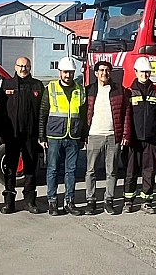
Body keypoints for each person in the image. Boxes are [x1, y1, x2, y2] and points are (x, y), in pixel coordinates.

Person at [39, 56, 87, 216]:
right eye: (65, 72)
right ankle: (52, 201)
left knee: (71, 171)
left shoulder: (80, 89)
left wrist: (82, 137)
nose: (68, 75)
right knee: (52, 169)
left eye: (71, 72)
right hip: (54, 136)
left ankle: (69, 202)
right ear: (60, 72)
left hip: (73, 136)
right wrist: (42, 136)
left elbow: (83, 115)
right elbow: (43, 113)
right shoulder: (51, 88)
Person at [0, 57, 44, 214]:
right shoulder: (7, 84)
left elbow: (43, 112)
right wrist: (2, 132)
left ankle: (30, 201)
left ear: (30, 67)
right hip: (12, 135)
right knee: (10, 168)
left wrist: (41, 134)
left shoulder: (37, 85)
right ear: (15, 67)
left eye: (26, 66)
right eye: (20, 66)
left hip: (31, 135)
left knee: (31, 168)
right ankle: (9, 202)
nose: (23, 69)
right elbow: (0, 110)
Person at [83, 60, 131, 215]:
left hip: (112, 136)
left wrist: (125, 134)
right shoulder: (89, 90)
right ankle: (91, 201)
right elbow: (83, 113)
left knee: (112, 171)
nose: (104, 73)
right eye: (101, 70)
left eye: (107, 70)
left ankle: (108, 200)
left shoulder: (119, 90)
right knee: (91, 171)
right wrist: (84, 134)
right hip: (94, 135)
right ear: (96, 73)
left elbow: (126, 114)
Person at [123, 57, 156, 214]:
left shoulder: (155, 91)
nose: (145, 75)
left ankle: (146, 202)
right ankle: (128, 202)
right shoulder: (129, 92)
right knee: (131, 171)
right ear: (136, 72)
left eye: (147, 72)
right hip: (133, 140)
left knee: (149, 171)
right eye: (142, 72)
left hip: (151, 140)